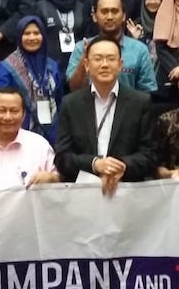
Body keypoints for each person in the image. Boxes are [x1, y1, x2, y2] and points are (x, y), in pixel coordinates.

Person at [55, 37, 157, 196]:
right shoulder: (71, 104)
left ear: (120, 65)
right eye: (98, 59)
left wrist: (121, 166)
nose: (104, 64)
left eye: (111, 59)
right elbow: (62, 157)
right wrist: (95, 164)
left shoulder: (140, 102)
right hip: (83, 196)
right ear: (87, 65)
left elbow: (149, 155)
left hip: (127, 194)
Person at [65, 0, 158, 93]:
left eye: (115, 11)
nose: (109, 17)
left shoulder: (139, 50)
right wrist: (85, 57)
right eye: (104, 12)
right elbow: (74, 88)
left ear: (123, 16)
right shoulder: (81, 48)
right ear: (95, 16)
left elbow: (148, 91)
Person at [0, 17, 62, 144]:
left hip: (52, 133)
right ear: (19, 36)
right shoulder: (6, 68)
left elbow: (59, 99)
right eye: (26, 33)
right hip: (18, 134)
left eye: (36, 33)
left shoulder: (52, 66)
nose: (32, 38)